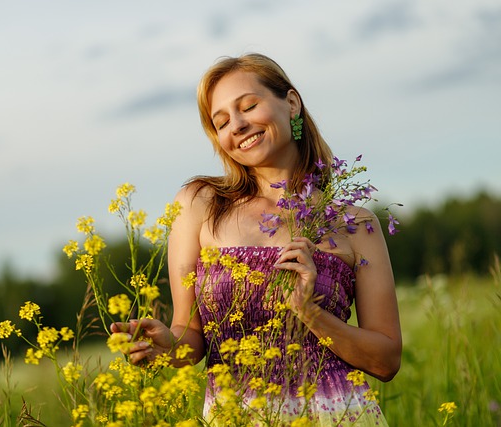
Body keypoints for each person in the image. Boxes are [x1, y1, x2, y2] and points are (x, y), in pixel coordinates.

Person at [110, 53, 401, 426]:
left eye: (248, 106)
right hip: (238, 414)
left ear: (291, 104)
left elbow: (386, 361)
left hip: (338, 415)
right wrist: (168, 345)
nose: (238, 125)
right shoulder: (201, 204)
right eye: (222, 122)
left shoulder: (356, 226)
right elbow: (192, 336)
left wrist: (311, 313)